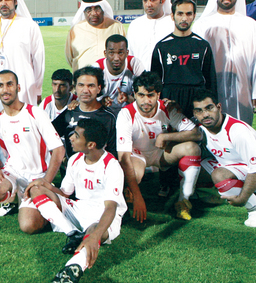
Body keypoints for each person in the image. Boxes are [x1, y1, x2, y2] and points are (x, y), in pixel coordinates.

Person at [25, 119, 126, 283]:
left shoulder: (112, 166)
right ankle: (72, 233)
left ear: (91, 145)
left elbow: (111, 208)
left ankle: (74, 266)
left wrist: (95, 235)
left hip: (103, 215)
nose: (71, 138)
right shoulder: (75, 159)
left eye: (77, 136)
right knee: (37, 189)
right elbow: (65, 193)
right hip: (78, 208)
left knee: (93, 231)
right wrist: (46, 185)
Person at [0, 70, 65, 229]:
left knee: (28, 226)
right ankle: (15, 198)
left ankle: (43, 201)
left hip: (38, 176)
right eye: (1, 86)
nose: (5, 89)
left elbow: (59, 151)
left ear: (18, 87)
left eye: (9, 84)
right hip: (13, 174)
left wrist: (46, 181)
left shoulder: (35, 113)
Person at [116, 72, 202, 222]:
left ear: (158, 95)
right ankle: (124, 203)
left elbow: (196, 134)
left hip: (161, 153)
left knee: (193, 148)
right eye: (141, 95)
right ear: (134, 94)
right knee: (132, 172)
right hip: (137, 155)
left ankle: (183, 201)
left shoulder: (167, 108)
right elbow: (123, 158)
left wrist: (165, 137)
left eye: (150, 95)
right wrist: (138, 196)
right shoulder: (126, 114)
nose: (146, 101)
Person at [192, 0, 256, 124]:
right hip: (211, 89)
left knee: (241, 127)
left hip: (243, 90)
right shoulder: (202, 25)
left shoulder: (251, 25)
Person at [192, 89, 256, 227]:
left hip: (251, 168)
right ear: (195, 114)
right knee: (192, 168)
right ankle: (219, 193)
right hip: (232, 165)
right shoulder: (201, 127)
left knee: (219, 175)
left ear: (219, 107)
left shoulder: (238, 132)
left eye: (209, 108)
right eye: (199, 111)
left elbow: (255, 169)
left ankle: (253, 208)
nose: (205, 114)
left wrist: (242, 198)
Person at [151, 0, 217, 118]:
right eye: (180, 14)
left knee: (197, 130)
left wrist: (213, 102)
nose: (184, 18)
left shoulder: (202, 45)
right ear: (173, 16)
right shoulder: (162, 46)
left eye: (188, 14)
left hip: (197, 98)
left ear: (194, 16)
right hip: (170, 97)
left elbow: (210, 80)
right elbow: (155, 81)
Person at [53, 67, 118, 159]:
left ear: (99, 88)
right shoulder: (69, 112)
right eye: (81, 85)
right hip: (71, 166)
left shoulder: (108, 117)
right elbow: (49, 136)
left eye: (91, 86)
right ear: (75, 87)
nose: (85, 90)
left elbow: (113, 152)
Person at [65, 0, 125, 71]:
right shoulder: (75, 30)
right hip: (82, 76)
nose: (93, 14)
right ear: (84, 11)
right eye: (89, 10)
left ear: (103, 10)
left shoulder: (116, 27)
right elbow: (69, 57)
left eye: (97, 9)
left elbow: (124, 54)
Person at [126, 0, 174, 70]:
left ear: (162, 1)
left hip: (167, 75)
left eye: (153, 0)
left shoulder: (172, 23)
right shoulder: (135, 25)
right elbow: (130, 54)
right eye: (145, 0)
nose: (148, 4)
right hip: (141, 76)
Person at [93, 34, 144, 115]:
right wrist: (101, 101)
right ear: (105, 53)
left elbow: (145, 95)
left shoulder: (134, 64)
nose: (116, 58)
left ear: (127, 53)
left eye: (120, 53)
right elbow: (88, 99)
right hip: (103, 113)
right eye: (111, 53)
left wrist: (128, 98)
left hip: (129, 112)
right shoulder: (97, 68)